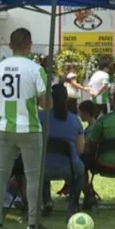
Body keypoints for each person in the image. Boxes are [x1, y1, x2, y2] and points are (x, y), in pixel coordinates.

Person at [0, 27, 50, 229]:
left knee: (1, 175)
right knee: (33, 177)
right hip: (29, 128)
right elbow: (46, 103)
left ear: (10, 45)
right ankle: (33, 223)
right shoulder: (35, 69)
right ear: (29, 45)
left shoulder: (0, 67)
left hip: (6, 128)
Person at [41, 83, 85, 219]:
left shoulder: (40, 117)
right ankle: (72, 205)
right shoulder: (75, 120)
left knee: (40, 159)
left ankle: (46, 199)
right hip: (69, 168)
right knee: (81, 171)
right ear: (67, 99)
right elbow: (80, 149)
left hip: (42, 169)